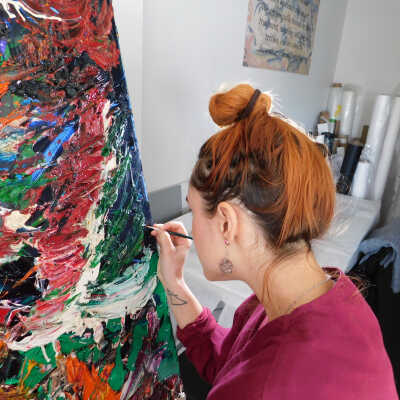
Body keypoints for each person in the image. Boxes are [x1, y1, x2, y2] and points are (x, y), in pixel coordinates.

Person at [150, 83, 398, 399]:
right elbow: (230, 363)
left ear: (226, 223)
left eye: (194, 211)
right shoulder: (324, 296)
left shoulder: (265, 385)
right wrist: (174, 283)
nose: (193, 228)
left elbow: (249, 380)